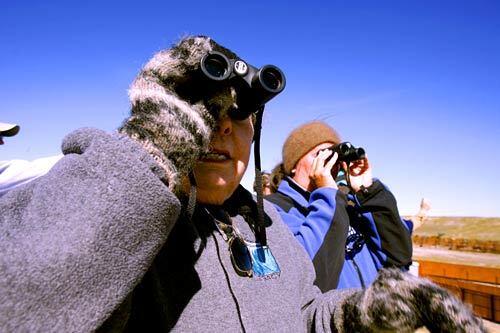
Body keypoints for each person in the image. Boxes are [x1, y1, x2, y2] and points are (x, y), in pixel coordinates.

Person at [0, 36, 484, 332]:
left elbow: (301, 312)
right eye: (207, 110)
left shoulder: (266, 223)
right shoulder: (114, 212)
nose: (224, 126)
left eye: (241, 112)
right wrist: (150, 152)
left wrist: (357, 315)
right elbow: (22, 304)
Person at [266, 121, 413, 290]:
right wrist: (328, 195)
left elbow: (399, 258)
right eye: (321, 155)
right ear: (294, 165)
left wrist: (368, 192)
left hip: (372, 312)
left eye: (335, 157)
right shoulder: (274, 211)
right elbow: (305, 278)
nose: (331, 163)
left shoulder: (350, 206)